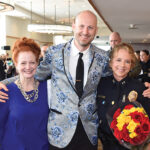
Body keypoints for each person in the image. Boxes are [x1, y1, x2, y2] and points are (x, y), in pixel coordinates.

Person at [0, 10, 111, 150]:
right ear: (73, 26)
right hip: (59, 133)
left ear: (96, 30)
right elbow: (34, 73)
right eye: (81, 26)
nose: (85, 31)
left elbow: (115, 78)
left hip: (88, 132)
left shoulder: (102, 57)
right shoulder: (55, 53)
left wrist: (144, 86)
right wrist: (4, 83)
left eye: (90, 27)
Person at [97, 43, 150, 150]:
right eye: (118, 60)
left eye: (127, 61)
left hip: (131, 146)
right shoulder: (100, 85)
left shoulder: (140, 88)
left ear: (131, 65)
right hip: (105, 144)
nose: (122, 65)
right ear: (111, 62)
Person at [0, 37, 50, 150]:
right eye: (23, 63)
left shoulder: (48, 89)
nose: (28, 67)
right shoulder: (5, 91)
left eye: (32, 62)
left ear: (37, 63)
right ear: (16, 64)